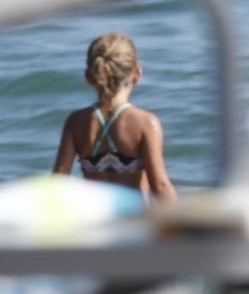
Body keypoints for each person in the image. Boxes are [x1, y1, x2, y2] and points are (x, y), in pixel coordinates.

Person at [52, 32, 176, 203]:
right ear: (137, 75)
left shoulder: (76, 122)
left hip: (96, 218)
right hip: (134, 217)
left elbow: (58, 184)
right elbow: (160, 186)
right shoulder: (146, 124)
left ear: (89, 76)